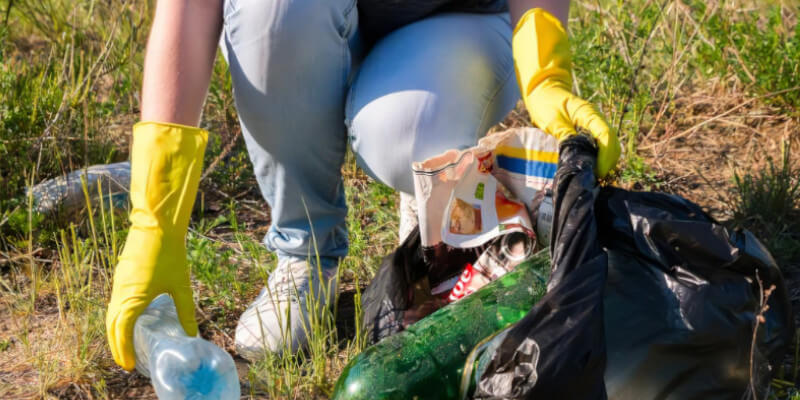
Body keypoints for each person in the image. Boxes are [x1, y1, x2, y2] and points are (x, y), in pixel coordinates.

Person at [106, 0, 621, 370]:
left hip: (454, 18)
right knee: (274, 14)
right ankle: (305, 254)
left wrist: (544, 72)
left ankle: (427, 211)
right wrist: (154, 220)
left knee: (411, 135)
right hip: (303, 19)